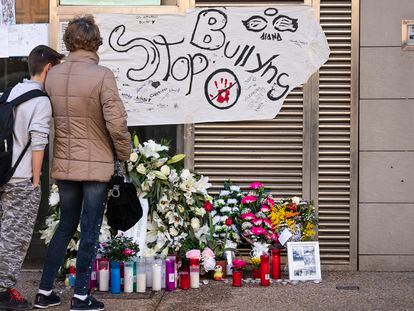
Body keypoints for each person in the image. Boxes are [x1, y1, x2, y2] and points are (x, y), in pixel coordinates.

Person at [34, 15, 131, 311]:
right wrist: (124, 154)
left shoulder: (53, 75)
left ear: (69, 41)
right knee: (89, 228)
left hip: (65, 163)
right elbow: (116, 124)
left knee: (66, 224)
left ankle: (44, 291)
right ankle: (80, 297)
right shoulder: (102, 75)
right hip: (97, 164)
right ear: (95, 41)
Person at [0, 45, 64, 311]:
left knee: (3, 233)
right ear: (48, 68)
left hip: (4, 175)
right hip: (23, 179)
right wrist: (36, 179)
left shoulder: (11, 92)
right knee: (14, 238)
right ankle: (3, 293)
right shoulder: (40, 100)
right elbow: (39, 141)